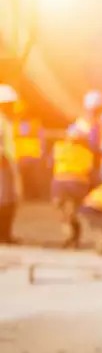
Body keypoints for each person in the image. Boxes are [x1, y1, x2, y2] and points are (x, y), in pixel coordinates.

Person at [51, 122, 95, 248]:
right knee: (69, 212)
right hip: (73, 182)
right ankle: (72, 237)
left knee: (66, 212)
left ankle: (71, 237)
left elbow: (53, 161)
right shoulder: (86, 153)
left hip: (66, 182)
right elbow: (89, 169)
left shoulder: (60, 148)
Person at [0, 85, 22, 244]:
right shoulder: (1, 120)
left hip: (7, 164)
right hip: (3, 165)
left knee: (9, 201)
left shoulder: (6, 121)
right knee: (6, 202)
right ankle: (4, 235)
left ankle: (5, 234)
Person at [12, 98, 46, 200]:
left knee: (34, 179)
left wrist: (42, 151)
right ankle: (25, 196)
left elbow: (41, 137)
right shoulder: (14, 124)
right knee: (23, 178)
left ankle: (35, 196)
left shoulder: (35, 123)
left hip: (33, 155)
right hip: (20, 155)